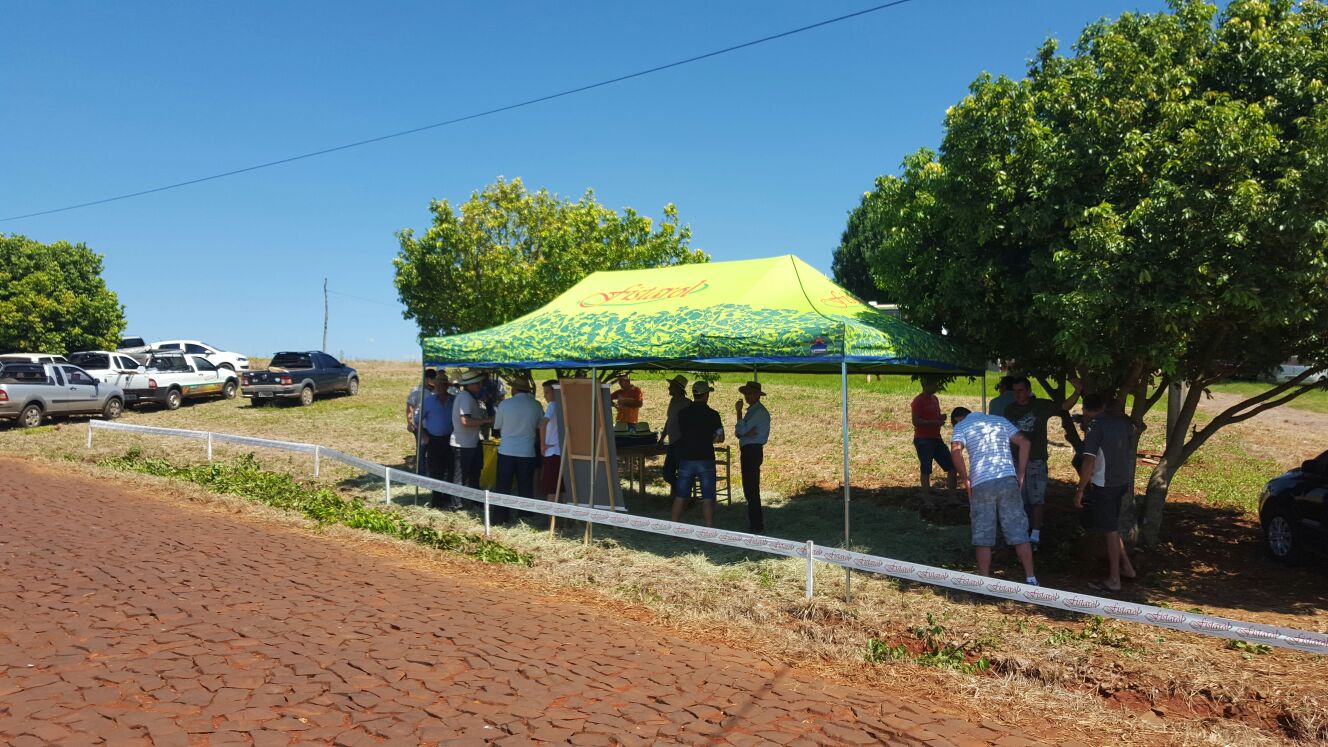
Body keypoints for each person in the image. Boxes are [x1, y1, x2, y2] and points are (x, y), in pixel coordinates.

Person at [950, 407, 1038, 585]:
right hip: (1007, 478)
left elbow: (955, 451)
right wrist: (1020, 473)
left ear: (958, 419)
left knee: (983, 535)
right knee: (1019, 530)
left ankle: (985, 582)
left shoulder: (961, 426)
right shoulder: (999, 420)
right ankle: (1031, 578)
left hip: (982, 481)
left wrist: (966, 479)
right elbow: (1025, 443)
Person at [1001, 376, 1080, 550]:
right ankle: (1021, 534)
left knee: (1036, 498)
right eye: (1014, 391)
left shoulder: (1040, 406)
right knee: (1018, 498)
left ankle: (1035, 535)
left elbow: (1064, 407)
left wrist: (1077, 391)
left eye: (1020, 390)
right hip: (1015, 461)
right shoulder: (1009, 410)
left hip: (1036, 460)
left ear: (1028, 391)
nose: (1017, 394)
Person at [1074, 394, 1138, 592]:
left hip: (1104, 485)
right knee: (1112, 526)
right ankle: (1127, 568)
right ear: (1103, 405)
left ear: (1085, 410)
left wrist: (1080, 490)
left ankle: (1114, 579)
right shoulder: (1123, 423)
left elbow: (1089, 461)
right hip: (1122, 481)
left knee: (1109, 531)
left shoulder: (1095, 427)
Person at [670, 381, 724, 528]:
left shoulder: (683, 414)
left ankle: (673, 528)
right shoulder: (713, 415)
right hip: (705, 458)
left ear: (694, 394)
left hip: (686, 458)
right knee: (708, 497)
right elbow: (720, 437)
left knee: (680, 496)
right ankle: (708, 528)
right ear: (706, 395)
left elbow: (681, 432)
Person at [492, 377, 544, 523]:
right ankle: (525, 517)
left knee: (503, 485)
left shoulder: (505, 404)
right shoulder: (536, 405)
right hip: (527, 451)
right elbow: (541, 426)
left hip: (506, 450)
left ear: (514, 389)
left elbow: (496, 427)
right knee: (525, 486)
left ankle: (501, 517)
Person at [451, 370, 494, 505]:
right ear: (471, 384)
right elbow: (466, 422)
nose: (480, 385)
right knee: (461, 476)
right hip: (463, 444)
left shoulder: (469, 397)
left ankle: (474, 500)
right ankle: (457, 504)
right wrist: (487, 421)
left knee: (474, 473)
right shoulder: (464, 397)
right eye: (478, 383)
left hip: (471, 442)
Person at [734, 381, 771, 534]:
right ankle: (755, 524)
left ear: (757, 395)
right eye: (745, 393)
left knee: (751, 488)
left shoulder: (758, 412)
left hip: (752, 450)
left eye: (749, 393)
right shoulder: (754, 411)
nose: (746, 396)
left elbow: (740, 431)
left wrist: (738, 414)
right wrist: (743, 431)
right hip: (751, 450)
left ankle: (756, 525)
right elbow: (740, 432)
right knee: (749, 488)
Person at [911, 377, 956, 498]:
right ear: (926, 385)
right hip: (923, 440)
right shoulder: (918, 401)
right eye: (934, 384)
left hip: (936, 438)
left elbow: (933, 417)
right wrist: (933, 423)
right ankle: (927, 500)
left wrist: (940, 418)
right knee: (926, 470)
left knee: (952, 467)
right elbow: (915, 421)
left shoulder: (935, 399)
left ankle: (952, 497)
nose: (936, 387)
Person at [418, 377, 455, 509]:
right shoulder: (428, 401)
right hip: (433, 440)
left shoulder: (453, 400)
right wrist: (425, 436)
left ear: (447, 386)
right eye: (438, 385)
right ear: (435, 386)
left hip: (450, 440)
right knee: (435, 471)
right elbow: (417, 421)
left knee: (450, 470)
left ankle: (448, 499)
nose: (440, 387)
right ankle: (436, 500)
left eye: (443, 385)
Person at [406, 368, 437, 472]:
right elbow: (410, 406)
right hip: (420, 426)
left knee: (431, 450)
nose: (436, 382)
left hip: (432, 426)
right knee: (422, 450)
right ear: (428, 379)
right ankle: (421, 473)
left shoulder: (434, 391)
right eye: (434, 379)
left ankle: (429, 471)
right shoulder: (417, 391)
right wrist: (410, 422)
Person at [539, 380, 562, 501]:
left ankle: (551, 519)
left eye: (547, 392)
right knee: (563, 488)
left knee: (551, 489)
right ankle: (564, 519)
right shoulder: (564, 405)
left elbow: (542, 425)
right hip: (561, 451)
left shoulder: (553, 405)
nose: (545, 395)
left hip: (552, 451)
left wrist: (542, 445)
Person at [660, 375, 690, 444]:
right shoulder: (673, 401)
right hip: (673, 442)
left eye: (672, 386)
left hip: (682, 444)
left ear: (678, 389)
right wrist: (662, 438)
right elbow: (669, 420)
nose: (669, 388)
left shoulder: (687, 403)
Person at [478, 372, 506, 438]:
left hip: (492, 409)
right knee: (483, 432)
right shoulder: (478, 383)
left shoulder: (496, 381)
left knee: (495, 432)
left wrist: (494, 397)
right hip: (480, 410)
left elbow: (502, 396)